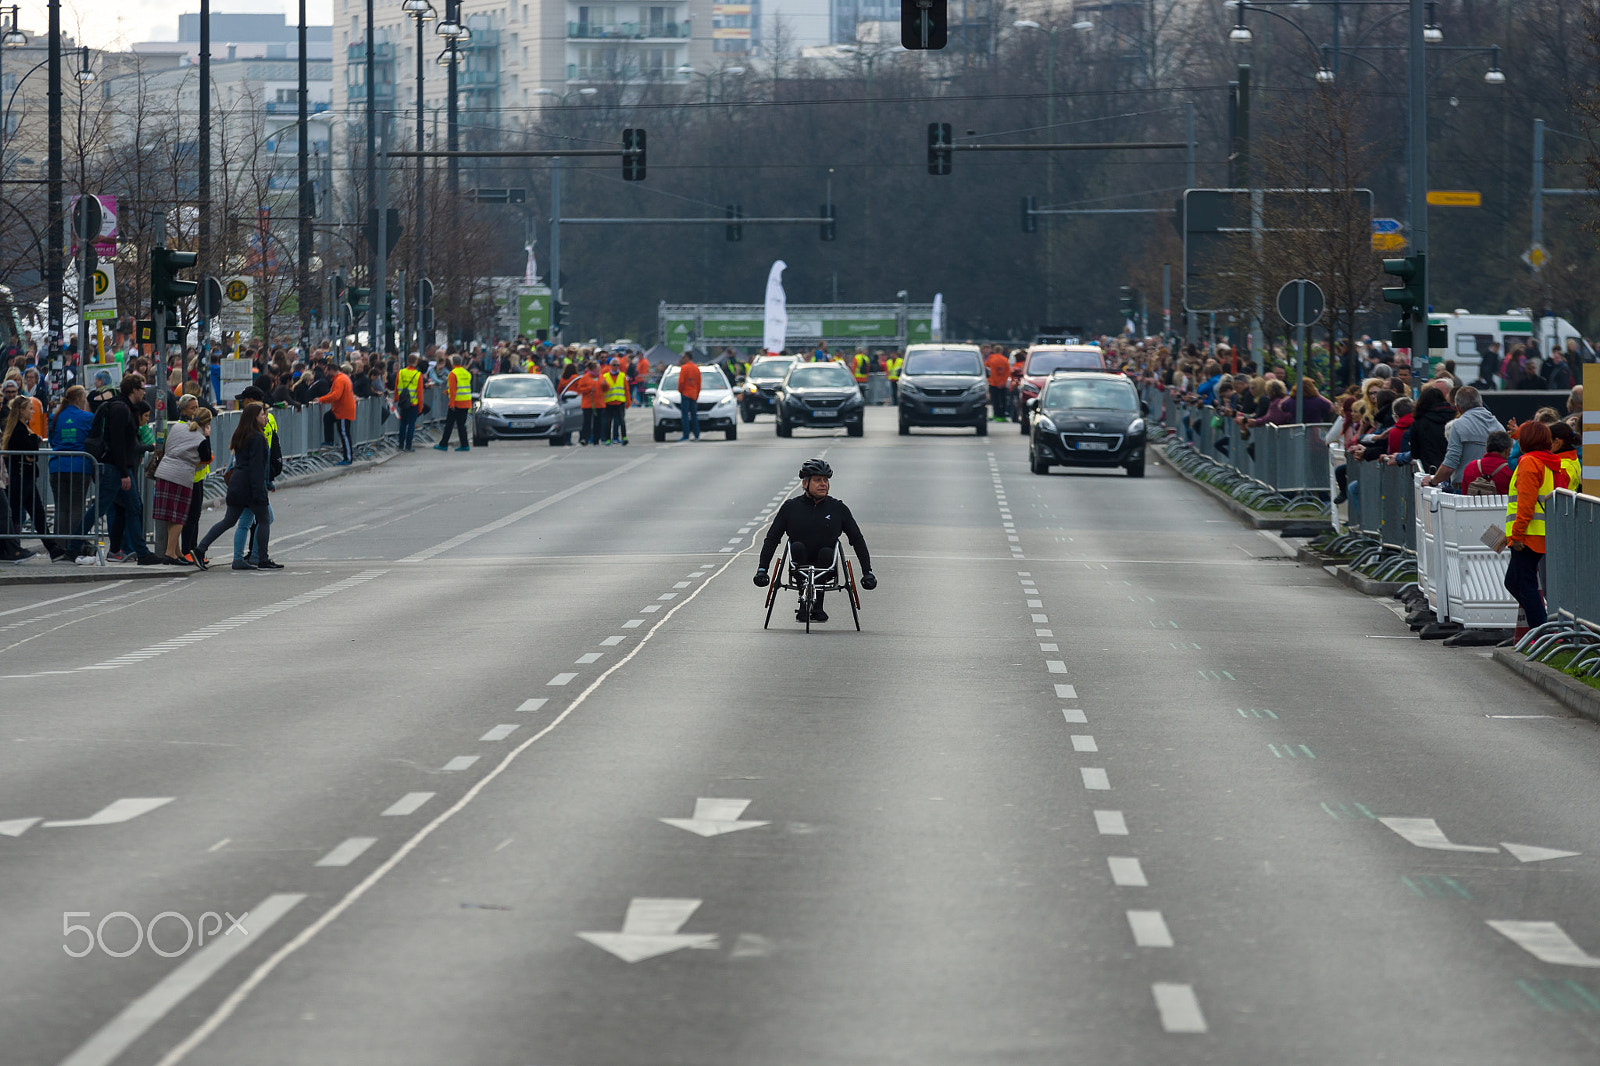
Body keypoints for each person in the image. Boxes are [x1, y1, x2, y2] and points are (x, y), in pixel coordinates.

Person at [754, 457, 877, 624]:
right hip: (798, 562)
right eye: (818, 480)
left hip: (826, 563)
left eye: (826, 480)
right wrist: (762, 569)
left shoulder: (838, 508)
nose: (823, 484)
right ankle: (803, 599)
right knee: (796, 547)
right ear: (805, 484)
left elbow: (857, 539)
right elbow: (772, 538)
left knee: (826, 552)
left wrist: (867, 572)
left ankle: (818, 605)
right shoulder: (791, 507)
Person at [1502, 421, 1569, 637]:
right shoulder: (1549, 461)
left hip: (1527, 535)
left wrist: (1517, 534)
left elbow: (1526, 503)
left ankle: (1541, 633)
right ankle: (1541, 628)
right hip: (1540, 532)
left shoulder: (1529, 462)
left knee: (1523, 583)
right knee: (1516, 581)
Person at [194, 402, 278, 571]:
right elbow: (256, 467)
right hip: (249, 487)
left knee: (229, 521)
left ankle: (200, 549)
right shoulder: (257, 437)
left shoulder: (243, 434)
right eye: (262, 414)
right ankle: (262, 558)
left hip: (238, 485)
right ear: (254, 418)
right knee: (264, 519)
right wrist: (260, 491)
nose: (265, 417)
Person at [152, 408, 209, 563]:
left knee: (172, 516)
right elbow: (206, 456)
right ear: (207, 424)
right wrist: (207, 435)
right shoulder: (201, 438)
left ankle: (177, 552)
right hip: (181, 476)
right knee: (179, 517)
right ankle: (170, 553)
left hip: (164, 472)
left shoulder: (177, 427)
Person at [48, 385, 97, 562]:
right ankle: (75, 546)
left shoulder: (55, 417)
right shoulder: (87, 417)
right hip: (79, 466)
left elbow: (52, 440)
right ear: (80, 399)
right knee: (77, 507)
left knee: (61, 507)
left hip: (57, 466)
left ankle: (60, 546)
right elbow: (91, 440)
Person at [316, 361, 357, 463]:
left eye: (327, 371)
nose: (326, 374)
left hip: (343, 411)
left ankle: (348, 457)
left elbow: (336, 395)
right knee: (328, 417)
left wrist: (321, 399)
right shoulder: (342, 378)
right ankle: (329, 440)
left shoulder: (340, 380)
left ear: (332, 370)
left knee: (344, 433)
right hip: (341, 410)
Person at [433, 355, 473, 452]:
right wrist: (448, 391)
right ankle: (465, 445)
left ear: (452, 363)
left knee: (449, 424)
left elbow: (454, 390)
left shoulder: (453, 374)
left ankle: (443, 444)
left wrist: (452, 404)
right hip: (466, 401)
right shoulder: (467, 373)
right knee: (461, 425)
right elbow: (462, 387)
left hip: (457, 402)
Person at [1460, 430, 1513, 495]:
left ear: (1486, 448)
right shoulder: (1510, 469)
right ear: (1507, 451)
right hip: (1502, 505)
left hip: (1473, 504)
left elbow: (1464, 494)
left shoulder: (1470, 467)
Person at [395, 353, 424, 451]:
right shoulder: (418, 375)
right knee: (411, 425)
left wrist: (396, 398)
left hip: (403, 402)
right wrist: (420, 405)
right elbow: (420, 392)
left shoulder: (401, 372)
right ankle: (408, 446)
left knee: (402, 424)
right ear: (416, 363)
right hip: (413, 403)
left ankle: (400, 445)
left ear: (407, 362)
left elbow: (397, 386)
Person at [601, 358, 629, 445]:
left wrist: (628, 401)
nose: (616, 367)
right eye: (614, 365)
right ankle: (608, 439)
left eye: (617, 365)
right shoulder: (605, 376)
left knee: (621, 421)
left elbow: (626, 389)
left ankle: (624, 437)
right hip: (609, 402)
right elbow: (602, 390)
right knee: (608, 422)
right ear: (610, 366)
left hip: (620, 402)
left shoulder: (622, 375)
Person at [677, 353, 702, 441]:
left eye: (683, 357)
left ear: (687, 358)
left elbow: (681, 382)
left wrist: (681, 391)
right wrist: (697, 394)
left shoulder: (684, 368)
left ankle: (686, 435)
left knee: (685, 416)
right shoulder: (696, 368)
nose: (682, 359)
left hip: (685, 394)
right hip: (694, 394)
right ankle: (696, 435)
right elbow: (699, 384)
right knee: (694, 416)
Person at [985, 346, 1011, 421]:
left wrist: (996, 382)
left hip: (993, 383)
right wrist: (1003, 382)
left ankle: (996, 414)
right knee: (1003, 400)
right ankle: (1002, 415)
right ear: (1002, 351)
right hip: (1003, 384)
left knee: (995, 400)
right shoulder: (1005, 360)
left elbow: (992, 372)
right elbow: (1007, 372)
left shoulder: (991, 359)